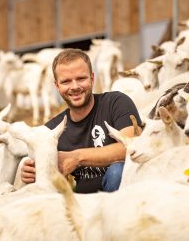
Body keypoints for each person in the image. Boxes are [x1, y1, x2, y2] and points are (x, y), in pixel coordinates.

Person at [21, 48, 142, 193]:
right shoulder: (51, 130)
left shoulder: (116, 103)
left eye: (81, 78)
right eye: (66, 81)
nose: (74, 87)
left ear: (92, 78)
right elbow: (36, 163)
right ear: (57, 86)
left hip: (119, 201)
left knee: (117, 171)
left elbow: (131, 146)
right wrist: (29, 172)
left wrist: (76, 157)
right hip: (81, 205)